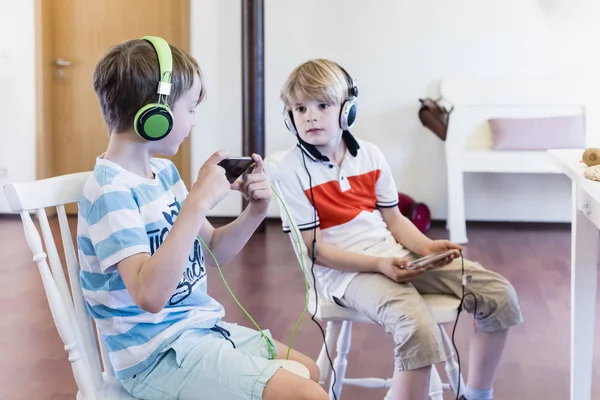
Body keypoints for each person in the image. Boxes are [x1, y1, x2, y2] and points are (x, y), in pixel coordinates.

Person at [76, 36, 328, 400]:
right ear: (156, 115)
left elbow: (214, 253)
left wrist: (256, 212)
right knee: (308, 394)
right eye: (190, 108)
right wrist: (195, 203)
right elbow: (149, 295)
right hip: (156, 357)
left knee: (312, 371)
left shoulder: (163, 174)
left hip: (199, 331)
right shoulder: (109, 191)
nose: (194, 120)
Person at [275, 58, 524, 400]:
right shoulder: (289, 171)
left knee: (498, 294)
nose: (310, 116)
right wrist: (379, 265)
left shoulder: (371, 156)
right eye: (300, 108)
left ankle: (478, 395)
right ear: (290, 116)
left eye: (322, 105)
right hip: (344, 275)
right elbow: (314, 250)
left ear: (348, 110)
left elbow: (393, 219)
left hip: (395, 255)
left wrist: (425, 248)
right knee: (417, 327)